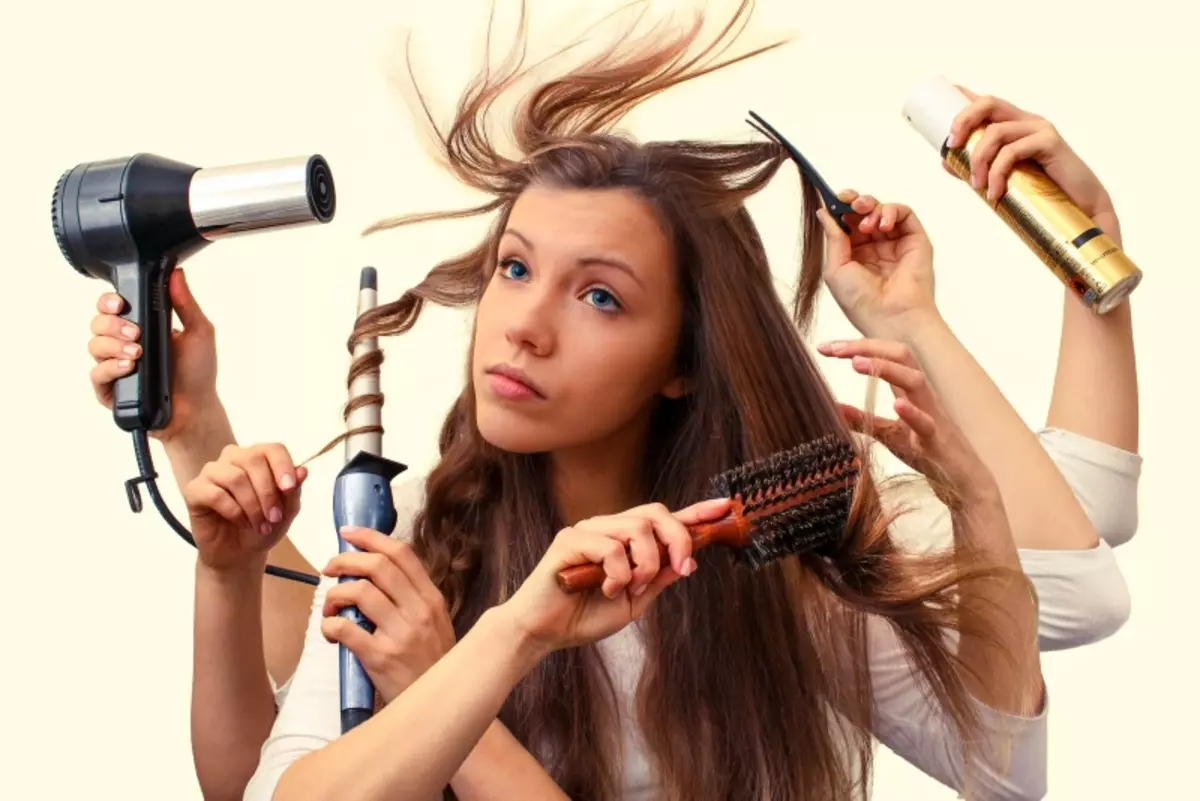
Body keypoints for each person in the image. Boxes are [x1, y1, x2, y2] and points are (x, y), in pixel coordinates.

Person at [79, 4, 1139, 799]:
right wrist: (492, 644)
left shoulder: (776, 539)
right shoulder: (423, 538)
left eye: (599, 295)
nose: (523, 325)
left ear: (682, 359)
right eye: (513, 269)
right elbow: (271, 786)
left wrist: (938, 351)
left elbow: (1061, 630)